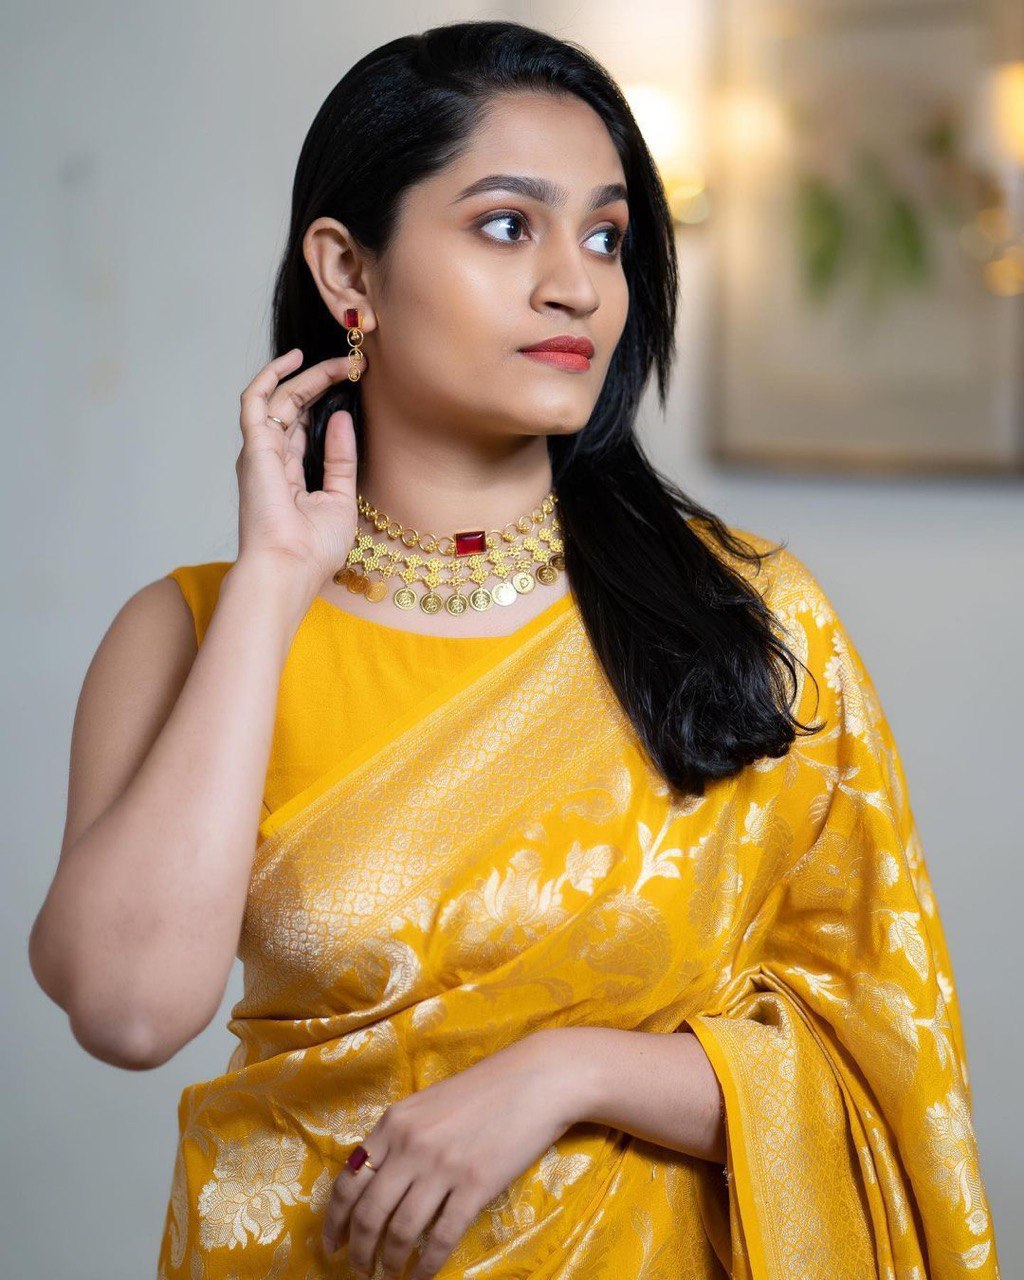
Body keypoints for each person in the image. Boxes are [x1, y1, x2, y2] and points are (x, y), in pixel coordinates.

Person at [28, 19, 1000, 1280]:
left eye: (605, 235)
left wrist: (569, 1071)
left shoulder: (749, 620)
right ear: (347, 272)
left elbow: (883, 1074)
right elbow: (130, 1009)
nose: (578, 284)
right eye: (506, 225)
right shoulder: (195, 630)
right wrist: (277, 582)